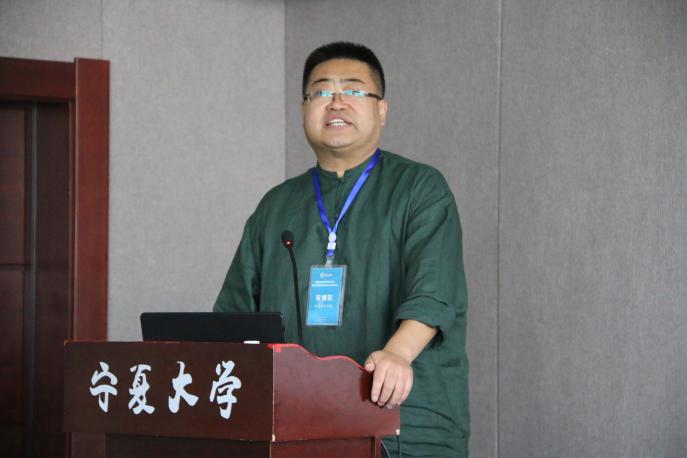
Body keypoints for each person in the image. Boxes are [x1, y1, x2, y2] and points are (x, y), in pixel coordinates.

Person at [214, 41, 469, 457]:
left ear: (381, 110)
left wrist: (396, 354)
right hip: (296, 428)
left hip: (401, 428)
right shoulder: (275, 206)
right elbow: (234, 318)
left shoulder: (420, 188)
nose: (336, 102)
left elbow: (435, 293)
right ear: (303, 109)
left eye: (353, 90)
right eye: (321, 91)